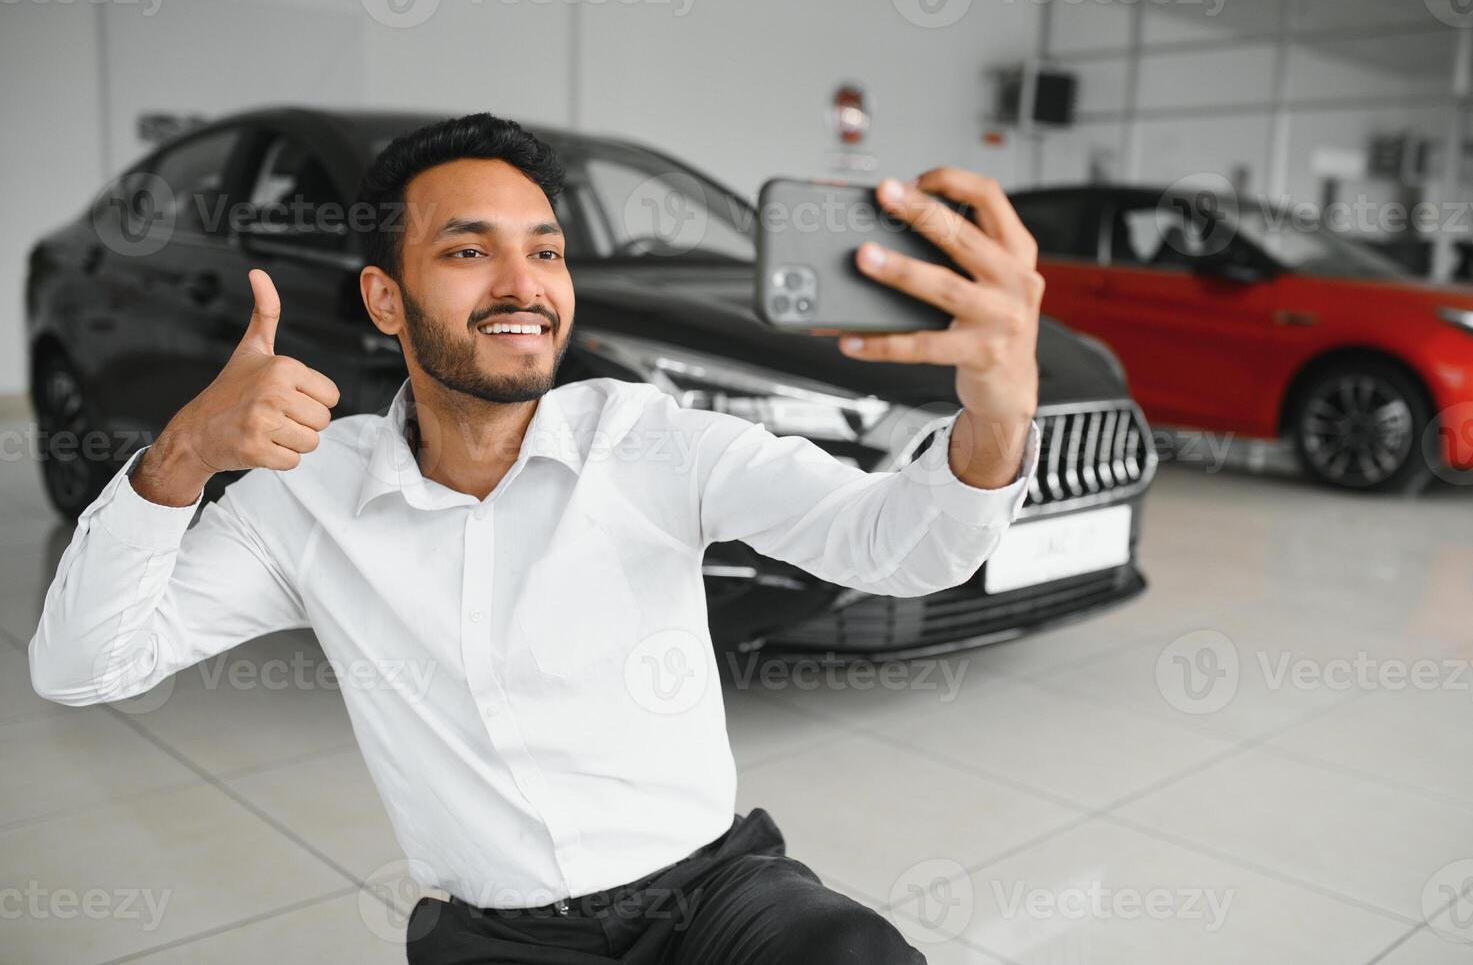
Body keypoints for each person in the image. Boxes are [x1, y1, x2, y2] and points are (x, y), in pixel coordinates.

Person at [29, 113, 1044, 963]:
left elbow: (904, 543)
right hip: (491, 935)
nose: (525, 284)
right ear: (385, 297)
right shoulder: (304, 497)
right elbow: (84, 665)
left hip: (721, 900)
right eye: (470, 250)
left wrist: (998, 411)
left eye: (546, 250)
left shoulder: (654, 438)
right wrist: (181, 459)